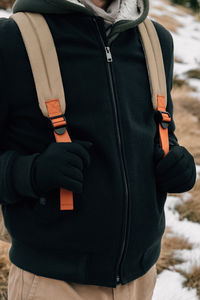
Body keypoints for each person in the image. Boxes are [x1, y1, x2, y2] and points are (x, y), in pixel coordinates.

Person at [0, 0, 196, 299]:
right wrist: (31, 173)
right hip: (53, 283)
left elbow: (161, 132)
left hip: (141, 279)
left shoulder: (157, 41)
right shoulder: (10, 41)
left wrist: (177, 162)